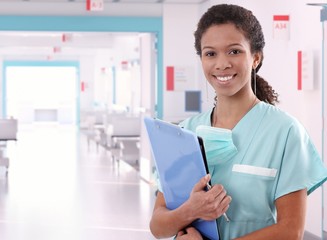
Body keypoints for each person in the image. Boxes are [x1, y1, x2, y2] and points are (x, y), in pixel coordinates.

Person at [149, 3, 327, 240]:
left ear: (255, 57)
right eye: (210, 53)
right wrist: (189, 211)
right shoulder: (185, 132)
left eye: (234, 51)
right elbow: (158, 227)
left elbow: (291, 231)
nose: (222, 64)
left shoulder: (285, 132)